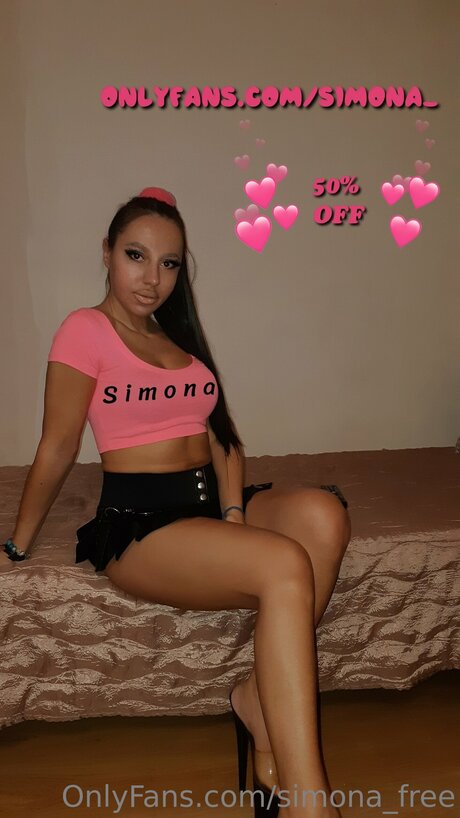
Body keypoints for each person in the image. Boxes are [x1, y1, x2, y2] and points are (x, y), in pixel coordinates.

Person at [2, 186, 352, 818]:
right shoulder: (85, 330)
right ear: (106, 252)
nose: (152, 278)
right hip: (142, 523)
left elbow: (222, 440)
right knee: (284, 565)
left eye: (168, 263)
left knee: (325, 517)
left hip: (207, 506)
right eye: (136, 255)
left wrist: (235, 516)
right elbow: (58, 445)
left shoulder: (178, 339)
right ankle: (311, 805)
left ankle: (256, 698)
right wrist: (17, 543)